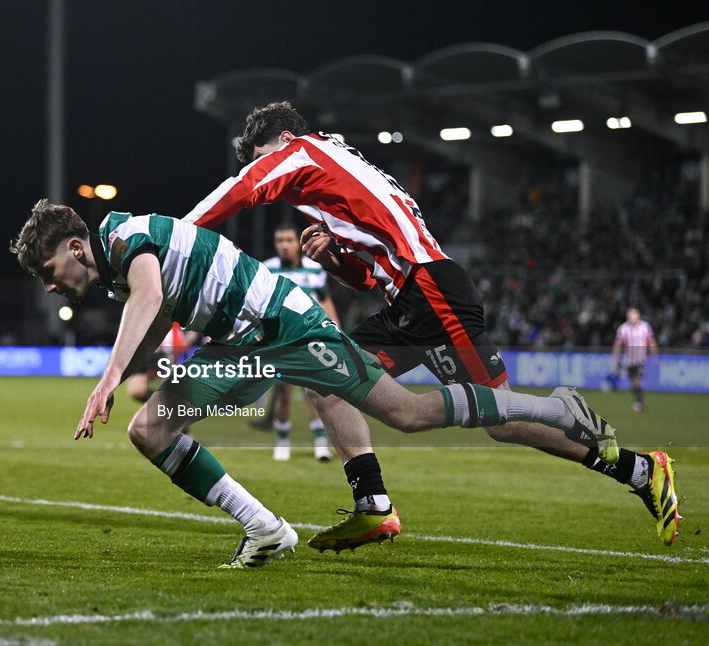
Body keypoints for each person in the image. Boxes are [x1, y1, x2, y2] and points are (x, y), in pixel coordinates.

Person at [10, 200, 653, 566]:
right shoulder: (120, 269)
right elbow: (155, 309)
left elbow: (150, 294)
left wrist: (110, 375)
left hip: (288, 328)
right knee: (149, 427)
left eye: (48, 267)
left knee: (406, 412)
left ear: (76, 243)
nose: (48, 282)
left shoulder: (120, 233)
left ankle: (556, 409)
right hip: (240, 346)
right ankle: (268, 529)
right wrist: (143, 369)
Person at [182, 101, 680, 546]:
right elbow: (365, 277)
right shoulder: (336, 178)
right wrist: (333, 257)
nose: (259, 163)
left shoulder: (305, 152)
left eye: (261, 152)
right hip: (408, 302)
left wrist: (175, 239)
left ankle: (633, 464)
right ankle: (373, 506)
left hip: (433, 290)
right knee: (325, 378)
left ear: (284, 141)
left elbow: (241, 189)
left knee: (502, 425)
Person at [257, 222, 339, 462]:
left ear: (298, 242)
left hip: (312, 337)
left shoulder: (315, 270)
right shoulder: (267, 269)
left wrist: (335, 327)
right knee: (283, 392)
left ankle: (320, 444)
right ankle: (283, 441)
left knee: (315, 391)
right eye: (280, 241)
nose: (284, 246)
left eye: (289, 240)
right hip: (282, 339)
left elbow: (325, 299)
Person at [613, 307, 658, 413]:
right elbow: (618, 344)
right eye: (630, 315)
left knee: (637, 381)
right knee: (633, 383)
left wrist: (654, 353)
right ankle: (641, 401)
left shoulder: (645, 326)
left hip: (640, 359)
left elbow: (651, 341)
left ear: (638, 315)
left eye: (634, 314)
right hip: (629, 360)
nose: (632, 317)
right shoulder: (623, 328)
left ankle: (637, 404)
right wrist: (617, 358)